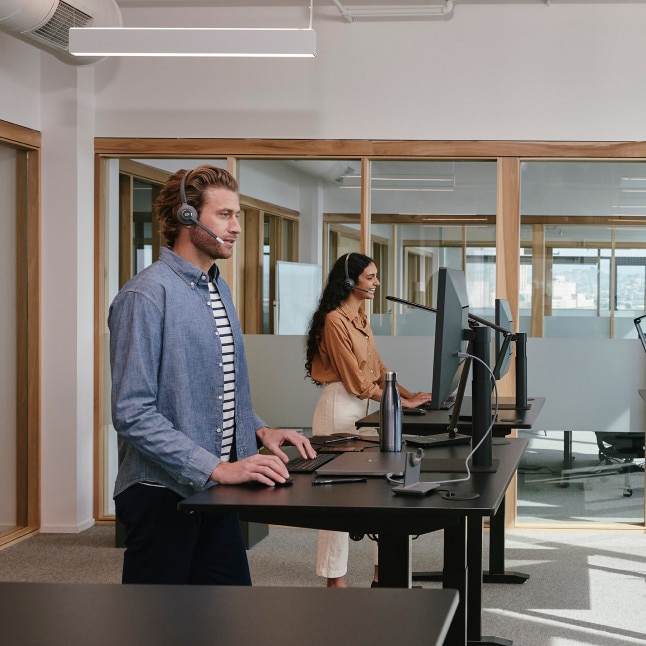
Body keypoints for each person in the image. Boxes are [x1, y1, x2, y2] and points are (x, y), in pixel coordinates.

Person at [109, 164, 316, 586]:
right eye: (225, 215)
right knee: (156, 624)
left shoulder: (217, 287)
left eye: (236, 215)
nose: (237, 227)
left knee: (228, 613)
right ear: (187, 217)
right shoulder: (145, 296)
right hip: (161, 493)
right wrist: (216, 469)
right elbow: (132, 412)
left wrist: (260, 430)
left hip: (213, 489)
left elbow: (219, 390)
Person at [304, 252, 432, 588]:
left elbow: (377, 368)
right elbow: (358, 383)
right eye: (371, 277)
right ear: (350, 281)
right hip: (340, 409)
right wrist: (398, 404)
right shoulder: (334, 320)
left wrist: (407, 395)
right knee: (336, 500)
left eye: (376, 276)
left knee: (380, 489)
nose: (376, 283)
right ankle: (335, 582)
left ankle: (382, 573)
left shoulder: (360, 316)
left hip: (366, 408)